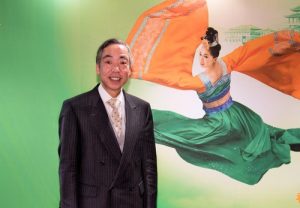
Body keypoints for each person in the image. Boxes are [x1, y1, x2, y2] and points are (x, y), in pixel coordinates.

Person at [58, 39, 157, 208]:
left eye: (123, 62)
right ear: (98, 67)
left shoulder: (142, 109)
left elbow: (148, 168)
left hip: (132, 203)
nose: (116, 69)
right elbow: (68, 169)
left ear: (130, 70)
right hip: (93, 203)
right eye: (109, 61)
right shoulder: (75, 108)